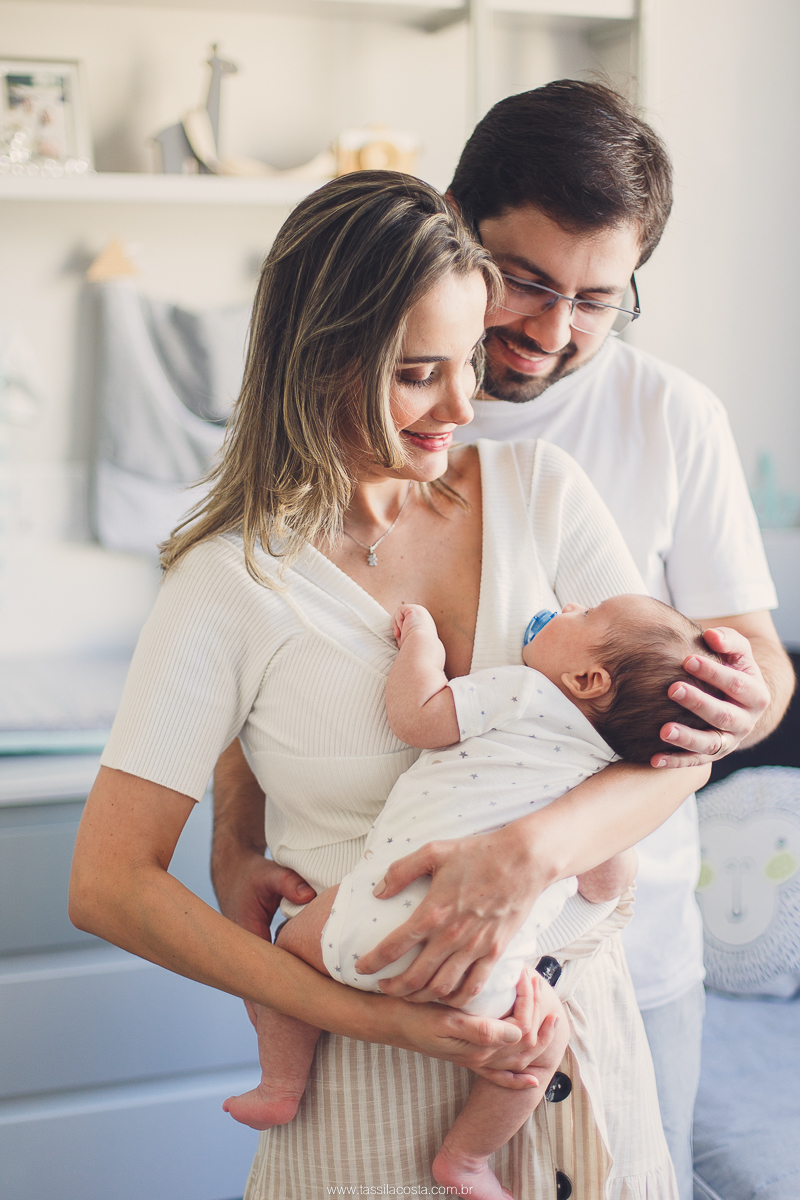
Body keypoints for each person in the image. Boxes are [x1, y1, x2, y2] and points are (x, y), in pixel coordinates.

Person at [70, 172, 709, 1199]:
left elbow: (674, 748)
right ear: (322, 361)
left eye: (464, 361)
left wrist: (527, 853)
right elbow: (107, 882)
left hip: (574, 1039)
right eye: (418, 373)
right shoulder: (230, 582)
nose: (463, 406)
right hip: (362, 1075)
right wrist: (366, 1016)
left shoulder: (542, 495)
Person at [223, 593, 721, 1200]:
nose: (570, 605)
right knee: (537, 1053)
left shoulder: (521, 692)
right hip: (486, 976)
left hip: (368, 918)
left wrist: (421, 642)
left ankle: (281, 1084)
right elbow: (606, 886)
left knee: (285, 954)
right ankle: (465, 1159)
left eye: (585, 617)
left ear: (586, 679)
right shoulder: (603, 782)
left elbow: (419, 717)